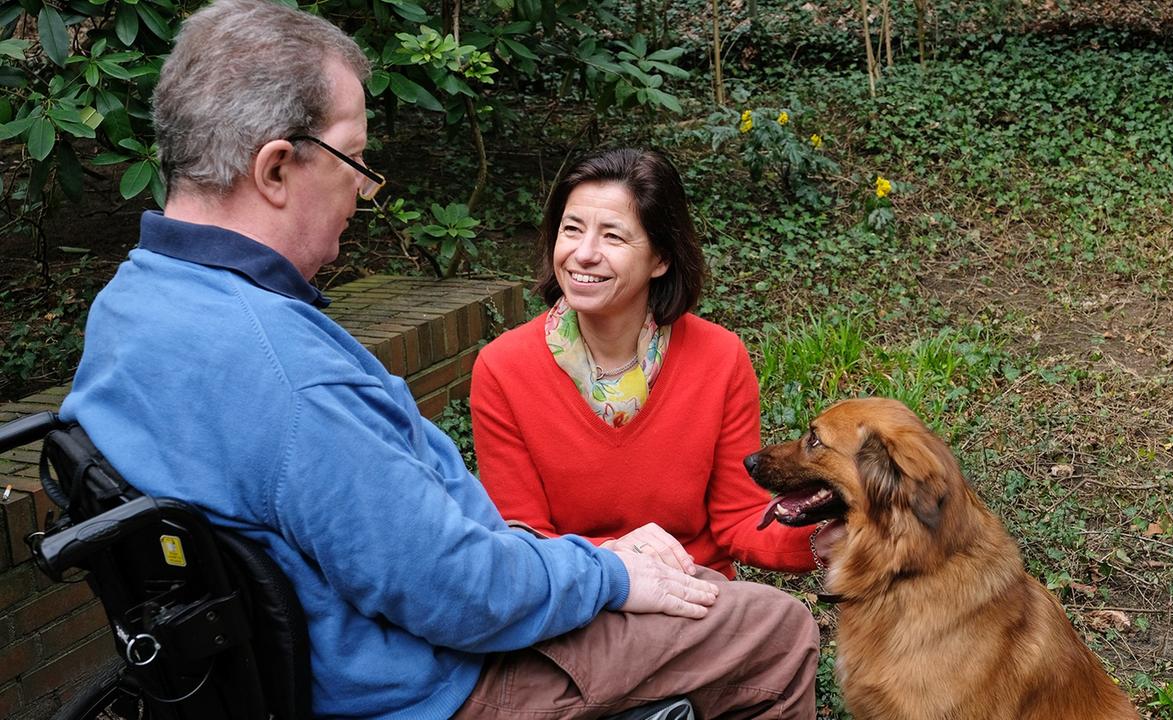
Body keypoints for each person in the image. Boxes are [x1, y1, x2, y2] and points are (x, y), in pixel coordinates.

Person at [60, 1, 819, 718]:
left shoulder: (132, 306)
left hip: (319, 660)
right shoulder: (294, 378)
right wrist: (612, 571)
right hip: (437, 685)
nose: (363, 190)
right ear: (276, 169)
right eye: (353, 158)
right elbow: (460, 594)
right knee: (777, 632)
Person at [471, 148, 827, 579]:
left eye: (613, 236)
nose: (583, 254)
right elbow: (522, 540)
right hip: (578, 595)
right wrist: (615, 557)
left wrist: (825, 542)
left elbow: (738, 519)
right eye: (572, 229)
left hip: (696, 592)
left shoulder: (720, 358)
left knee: (786, 628)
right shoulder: (504, 368)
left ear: (660, 258)